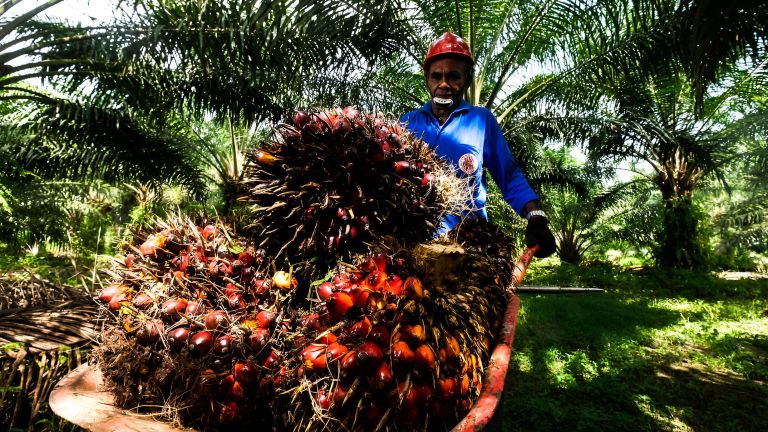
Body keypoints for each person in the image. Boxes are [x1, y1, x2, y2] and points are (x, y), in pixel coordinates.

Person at [400, 32, 556, 258]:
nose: (444, 84)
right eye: (436, 76)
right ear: (426, 78)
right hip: (415, 244)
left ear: (467, 78)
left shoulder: (481, 121)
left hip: (469, 245)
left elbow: (509, 176)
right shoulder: (407, 123)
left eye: (454, 76)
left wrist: (536, 216)